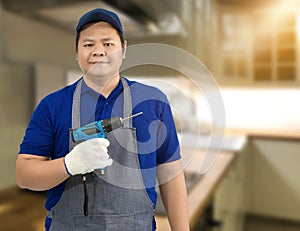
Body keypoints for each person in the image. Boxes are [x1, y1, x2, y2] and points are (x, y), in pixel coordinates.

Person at [16, 8, 189, 231]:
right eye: (88, 44)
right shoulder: (52, 105)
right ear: (76, 53)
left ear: (124, 49)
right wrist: (69, 164)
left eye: (108, 44)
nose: (98, 51)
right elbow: (24, 175)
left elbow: (170, 175)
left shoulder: (153, 101)